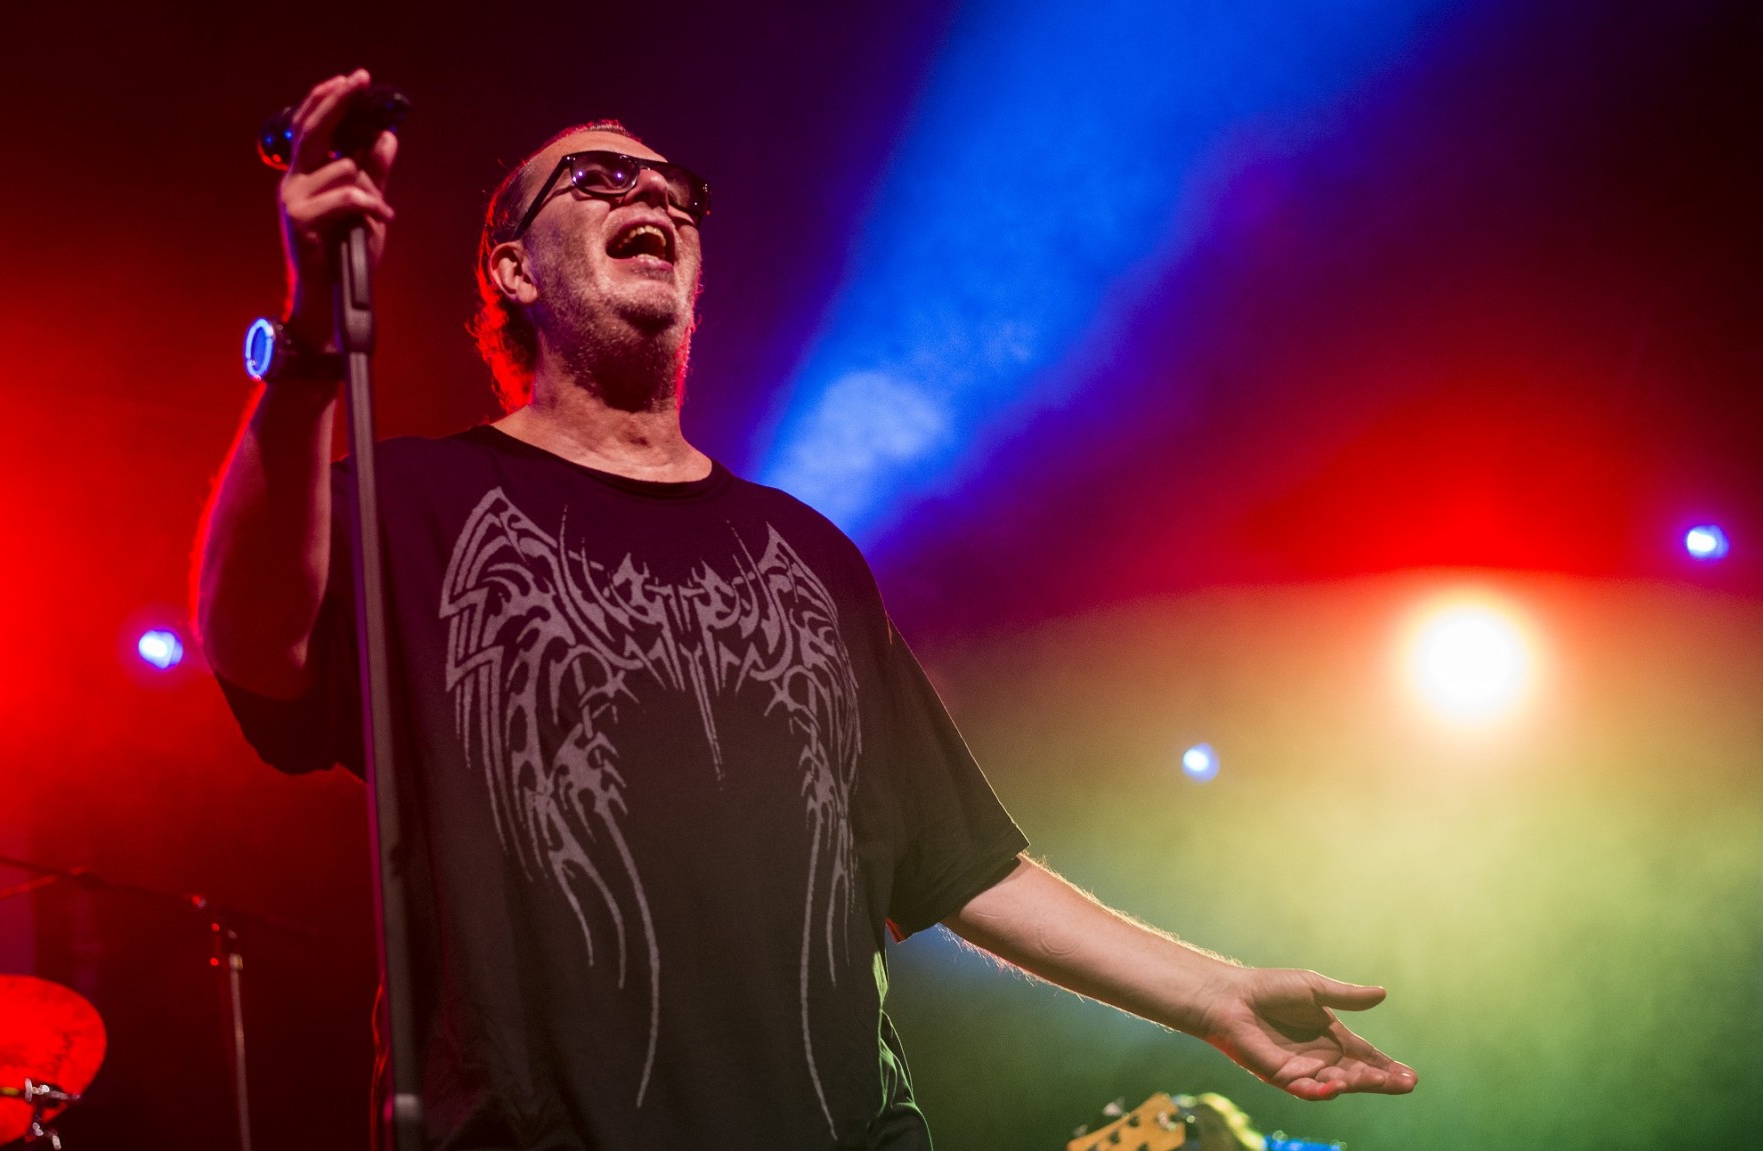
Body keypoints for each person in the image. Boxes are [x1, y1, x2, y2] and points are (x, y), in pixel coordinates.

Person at [197, 69, 1416, 1151]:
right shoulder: (414, 504)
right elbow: (253, 644)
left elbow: (958, 859)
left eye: (675, 190)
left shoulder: (807, 553)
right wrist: (310, 340)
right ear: (513, 268)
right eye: (599, 178)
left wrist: (1210, 994)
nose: (653, 194)